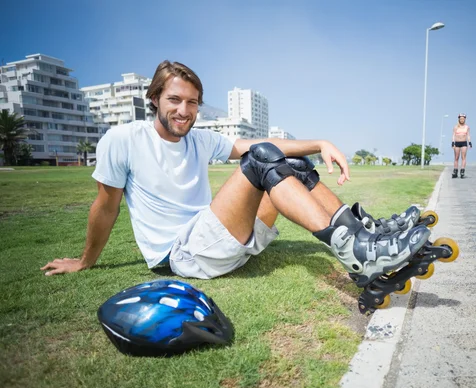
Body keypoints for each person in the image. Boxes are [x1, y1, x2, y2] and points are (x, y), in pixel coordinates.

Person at [41, 60, 432, 289]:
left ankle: (367, 235)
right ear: (154, 99)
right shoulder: (122, 139)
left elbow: (256, 142)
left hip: (226, 241)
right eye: (174, 100)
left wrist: (320, 143)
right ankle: (356, 254)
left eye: (192, 102)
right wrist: (84, 260)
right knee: (263, 159)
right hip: (186, 254)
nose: (184, 110)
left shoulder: (198, 139)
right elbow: (105, 207)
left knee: (289, 163)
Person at [451, 113, 472, 178]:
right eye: (461, 119)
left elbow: (468, 135)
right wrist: (453, 142)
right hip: (457, 143)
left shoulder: (467, 127)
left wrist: (470, 142)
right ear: (459, 119)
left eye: (463, 119)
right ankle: (455, 171)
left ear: (465, 119)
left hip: (464, 143)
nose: (462, 120)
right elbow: (453, 135)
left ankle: (462, 171)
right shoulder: (455, 127)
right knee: (456, 158)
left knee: (463, 157)